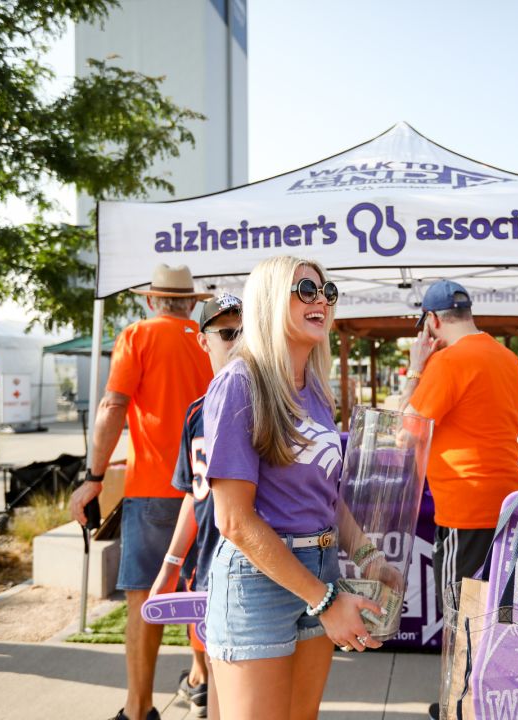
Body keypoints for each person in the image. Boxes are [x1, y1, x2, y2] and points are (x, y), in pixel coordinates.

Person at [201, 256, 383, 720]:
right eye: (305, 290)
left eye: (326, 292)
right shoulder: (239, 384)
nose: (320, 299)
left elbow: (327, 495)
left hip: (319, 566)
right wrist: (324, 601)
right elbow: (234, 521)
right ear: (267, 300)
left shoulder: (316, 390)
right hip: (257, 580)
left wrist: (368, 558)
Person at [68, 263, 215, 720]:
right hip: (210, 486)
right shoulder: (215, 338)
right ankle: (203, 682)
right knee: (205, 591)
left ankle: (138, 708)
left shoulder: (136, 336)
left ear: (152, 300)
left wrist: (93, 477)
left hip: (153, 486)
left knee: (144, 599)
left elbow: (113, 406)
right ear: (191, 302)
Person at [396, 279, 518, 719]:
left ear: (432, 322)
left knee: (459, 616)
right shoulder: (510, 360)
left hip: (464, 510)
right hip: (511, 509)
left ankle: (459, 708)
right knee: (495, 616)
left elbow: (402, 433)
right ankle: (486, 703)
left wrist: (416, 368)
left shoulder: (447, 362)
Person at [149, 292, 244, 720]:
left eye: (246, 332)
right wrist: (170, 565)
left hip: (259, 567)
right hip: (207, 564)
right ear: (203, 340)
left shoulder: (270, 401)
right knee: (215, 675)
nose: (239, 341)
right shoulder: (196, 414)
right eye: (227, 333)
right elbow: (194, 491)